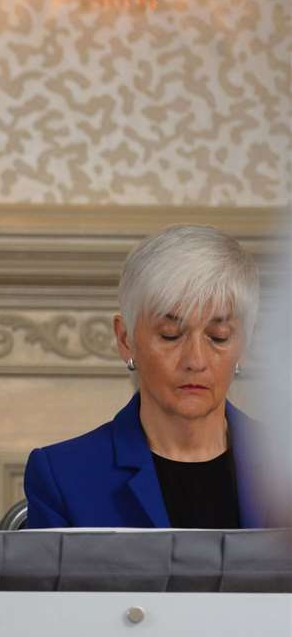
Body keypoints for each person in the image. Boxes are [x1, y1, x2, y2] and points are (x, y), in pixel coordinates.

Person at [25, 224, 264, 528]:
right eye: (170, 335)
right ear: (125, 339)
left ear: (244, 345)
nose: (195, 361)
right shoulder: (64, 475)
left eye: (218, 337)